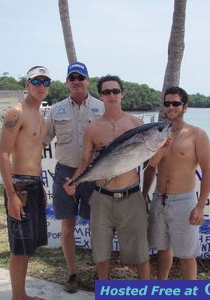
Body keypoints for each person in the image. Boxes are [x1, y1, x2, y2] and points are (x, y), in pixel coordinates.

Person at [63, 75, 150, 280]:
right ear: (100, 96)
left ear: (122, 93)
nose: (112, 95)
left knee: (141, 252)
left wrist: (162, 147)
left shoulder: (136, 123)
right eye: (107, 92)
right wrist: (73, 181)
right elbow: (85, 162)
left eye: (116, 91)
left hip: (131, 196)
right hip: (101, 197)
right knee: (101, 252)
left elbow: (152, 162)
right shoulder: (93, 128)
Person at [43, 62, 104, 292]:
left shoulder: (101, 108)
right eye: (72, 77)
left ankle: (101, 272)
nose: (77, 81)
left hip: (94, 173)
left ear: (88, 80)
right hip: (65, 174)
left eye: (81, 77)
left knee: (97, 226)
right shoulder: (56, 110)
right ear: (67, 82)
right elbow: (41, 140)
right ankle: (72, 273)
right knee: (67, 227)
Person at [142, 86, 210, 280]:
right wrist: (143, 195)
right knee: (162, 249)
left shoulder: (196, 134)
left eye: (176, 103)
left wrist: (200, 206)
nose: (171, 107)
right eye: (167, 103)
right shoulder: (158, 133)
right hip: (159, 197)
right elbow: (150, 168)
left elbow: (207, 172)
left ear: (185, 107)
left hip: (184, 200)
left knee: (187, 254)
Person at [0, 66, 51, 300]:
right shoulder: (16, 113)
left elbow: (34, 156)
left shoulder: (40, 116)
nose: (41, 86)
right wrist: (11, 195)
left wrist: (41, 187)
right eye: (36, 81)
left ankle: (22, 294)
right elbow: (2, 155)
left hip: (34, 185)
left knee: (28, 247)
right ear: (27, 84)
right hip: (19, 186)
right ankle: (17, 297)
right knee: (19, 248)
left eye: (45, 82)